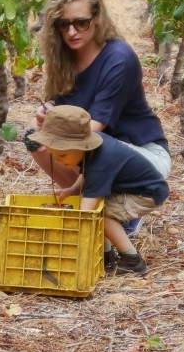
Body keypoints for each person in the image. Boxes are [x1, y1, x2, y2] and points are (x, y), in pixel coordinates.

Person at [24, 0, 171, 237]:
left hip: (143, 158)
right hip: (104, 151)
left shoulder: (119, 57)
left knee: (74, 142)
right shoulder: (65, 59)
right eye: (63, 24)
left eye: (81, 22)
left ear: (97, 17)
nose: (72, 32)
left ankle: (116, 212)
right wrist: (47, 111)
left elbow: (91, 130)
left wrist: (53, 126)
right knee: (34, 138)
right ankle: (101, 211)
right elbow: (63, 106)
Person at [28, 106, 169, 275]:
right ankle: (105, 256)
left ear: (80, 146)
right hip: (131, 189)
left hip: (147, 194)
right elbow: (86, 172)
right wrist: (73, 189)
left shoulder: (102, 161)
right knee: (98, 211)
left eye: (62, 156)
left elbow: (86, 212)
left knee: (100, 213)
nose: (58, 161)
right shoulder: (91, 150)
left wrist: (69, 234)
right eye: (55, 155)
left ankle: (132, 260)